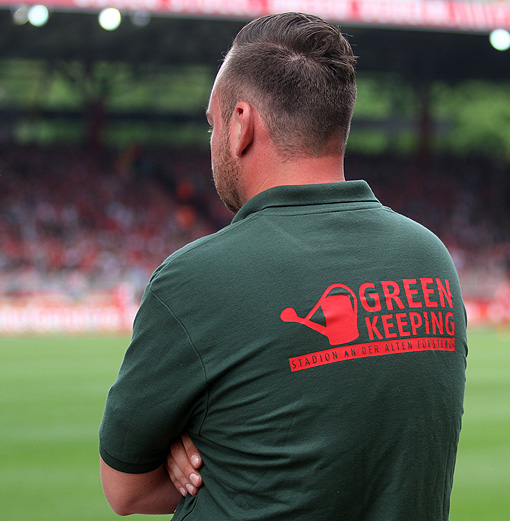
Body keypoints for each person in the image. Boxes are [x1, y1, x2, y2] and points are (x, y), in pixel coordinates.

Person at [99, 12, 467, 521]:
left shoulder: (194, 281)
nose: (212, 139)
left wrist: (203, 455)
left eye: (212, 123)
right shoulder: (431, 260)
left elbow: (127, 492)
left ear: (241, 124)